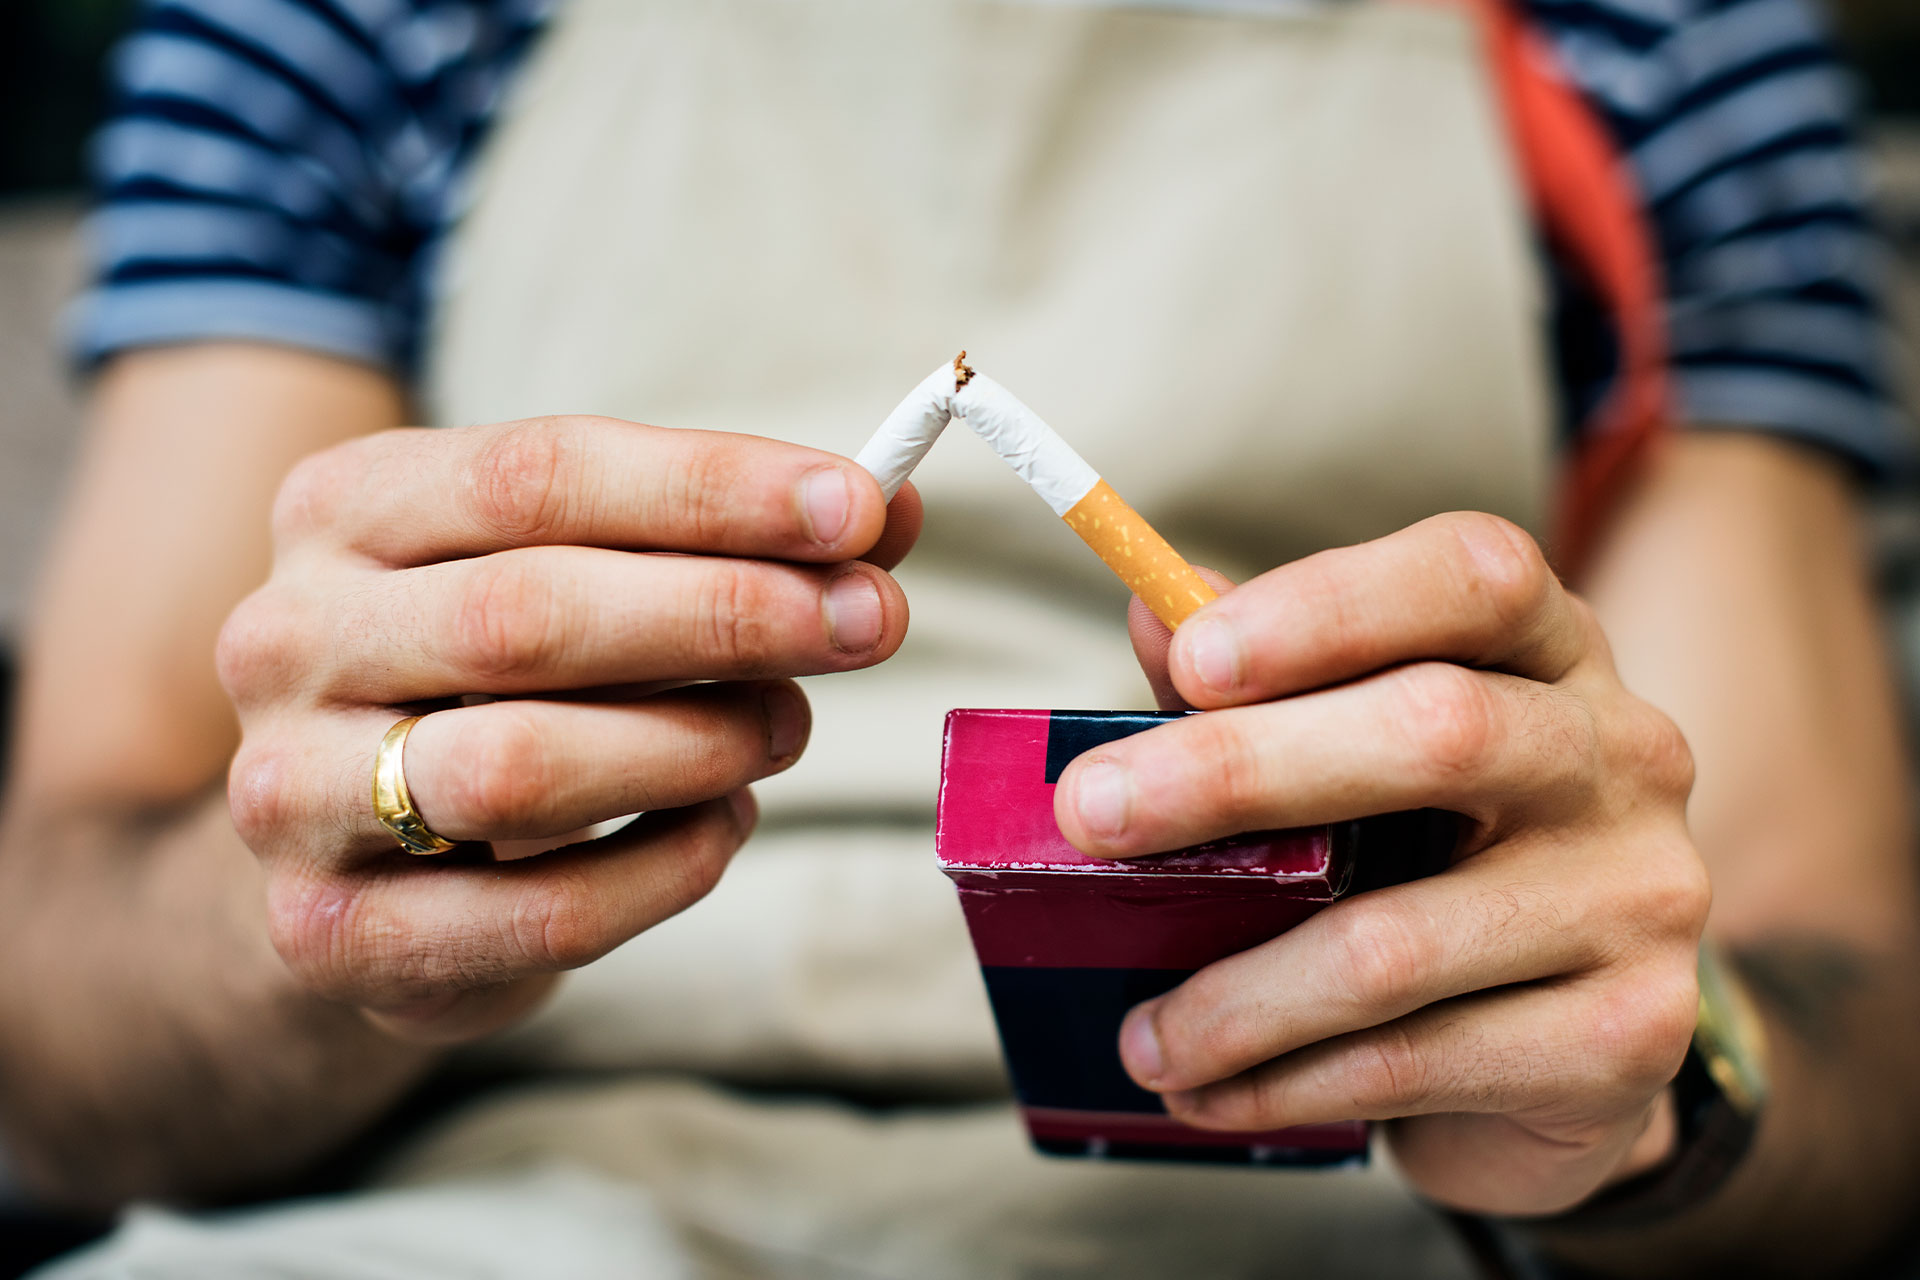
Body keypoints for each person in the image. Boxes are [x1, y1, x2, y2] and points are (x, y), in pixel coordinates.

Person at [2, 0, 1918, 1274]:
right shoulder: (343, 24)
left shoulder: (1659, 37)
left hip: (1348, 1214)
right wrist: (328, 909)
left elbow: (1860, 1069)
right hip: (484, 1200)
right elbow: (59, 1057)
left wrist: (1654, 1071)